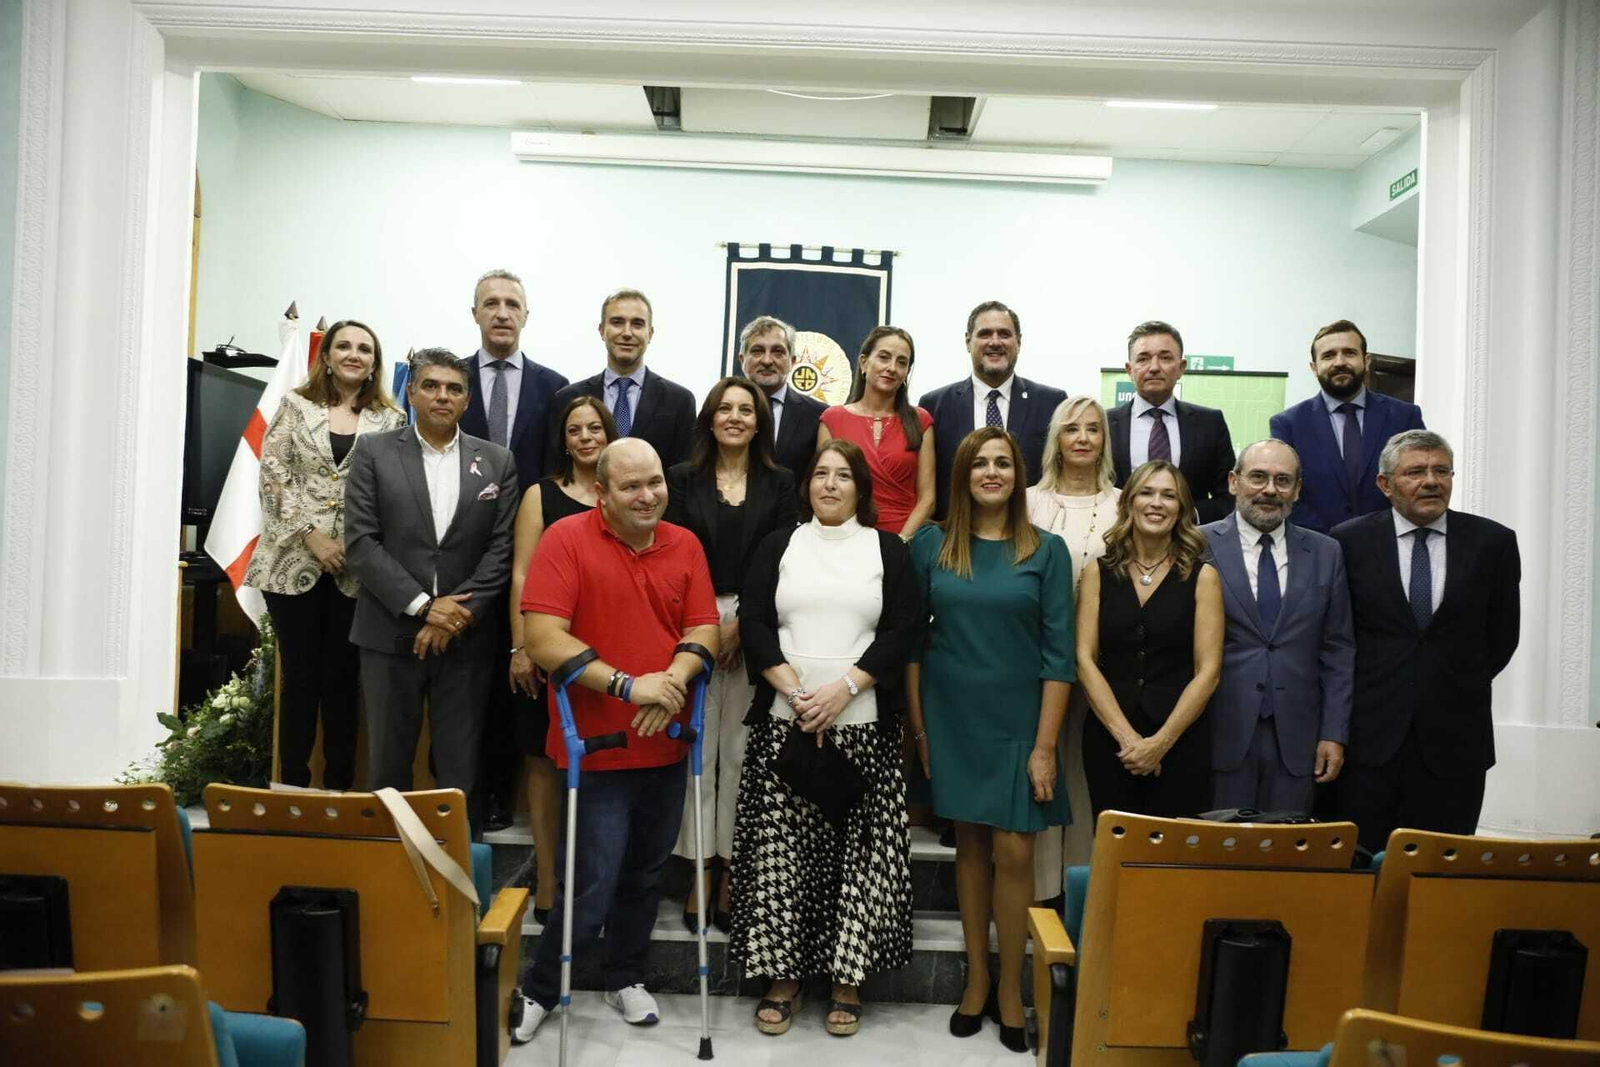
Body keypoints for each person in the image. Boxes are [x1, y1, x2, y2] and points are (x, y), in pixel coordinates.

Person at [516, 438, 720, 1037]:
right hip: (596, 747)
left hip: (667, 737)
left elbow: (704, 626)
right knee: (590, 882)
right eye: (631, 486)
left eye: (655, 482)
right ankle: (542, 989)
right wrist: (632, 688)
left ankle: (624, 977)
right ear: (601, 493)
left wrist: (672, 683)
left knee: (646, 874)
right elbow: (544, 639)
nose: (648, 495)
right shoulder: (566, 540)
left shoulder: (684, 544)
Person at [730, 439, 918, 1038]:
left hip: (861, 728)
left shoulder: (887, 548)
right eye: (820, 475)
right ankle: (783, 979)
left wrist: (843, 689)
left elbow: (902, 629)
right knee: (783, 858)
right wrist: (793, 690)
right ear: (806, 485)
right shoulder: (779, 544)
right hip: (787, 725)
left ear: (861, 487)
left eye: (843, 476)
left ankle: (846, 980)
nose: (831, 484)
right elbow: (754, 621)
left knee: (856, 860)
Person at [908, 427, 1074, 1054]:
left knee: (1014, 851)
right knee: (970, 847)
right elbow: (915, 650)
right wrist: (920, 731)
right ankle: (976, 982)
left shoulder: (1047, 551)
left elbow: (1061, 656)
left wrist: (1044, 746)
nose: (993, 472)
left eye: (1004, 462)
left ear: (1019, 475)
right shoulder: (932, 546)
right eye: (980, 463)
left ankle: (1012, 987)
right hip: (950, 717)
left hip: (1020, 721)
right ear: (963, 475)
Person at [343, 348, 517, 832]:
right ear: (412, 392)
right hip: (388, 636)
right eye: (432, 386)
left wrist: (453, 616)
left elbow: (501, 551)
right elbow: (360, 544)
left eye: (455, 388)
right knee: (387, 769)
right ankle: (386, 882)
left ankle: (458, 887)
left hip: (466, 640)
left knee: (460, 774)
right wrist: (425, 609)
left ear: (466, 400)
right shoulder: (374, 452)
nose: (443, 396)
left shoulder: (497, 462)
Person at [1331, 430, 1520, 852]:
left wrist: (1449, 678)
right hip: (1369, 739)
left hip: (1456, 740)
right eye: (1415, 471)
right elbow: (1337, 636)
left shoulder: (1494, 543)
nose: (1431, 481)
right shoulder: (1347, 542)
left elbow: (1502, 636)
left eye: (1441, 471)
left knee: (1443, 869)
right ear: (1385, 484)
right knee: (1359, 869)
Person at [246, 319, 407, 789]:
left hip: (356, 570)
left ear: (375, 361)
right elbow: (273, 475)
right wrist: (312, 535)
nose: (354, 354)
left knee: (343, 681)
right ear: (328, 356)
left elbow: (391, 494)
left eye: (364, 348)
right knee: (299, 679)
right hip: (291, 560)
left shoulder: (391, 420)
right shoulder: (296, 406)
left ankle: (339, 787)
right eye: (344, 346)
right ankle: (290, 787)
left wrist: (356, 545)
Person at [663, 377, 798, 932]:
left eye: (747, 409)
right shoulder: (681, 479)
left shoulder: (782, 482)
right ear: (710, 419)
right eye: (726, 409)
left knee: (742, 755)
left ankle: (733, 873)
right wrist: (705, 628)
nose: (736, 417)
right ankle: (697, 871)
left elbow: (782, 556)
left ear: (760, 421)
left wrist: (744, 623)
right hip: (689, 624)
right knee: (698, 753)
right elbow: (669, 555)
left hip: (757, 624)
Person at [458, 268, 572, 831]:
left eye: (512, 304)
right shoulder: (445, 380)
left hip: (535, 554)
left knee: (518, 676)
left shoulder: (558, 388)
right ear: (474, 313)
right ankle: (468, 796)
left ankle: (505, 796)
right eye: (491, 303)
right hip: (461, 559)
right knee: (467, 681)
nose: (502, 313)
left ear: (527, 316)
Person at [506, 395, 617, 924]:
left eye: (596, 427)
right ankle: (548, 885)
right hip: (547, 646)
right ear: (564, 438)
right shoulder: (539, 496)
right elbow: (522, 574)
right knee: (543, 764)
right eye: (576, 429)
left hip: (608, 654)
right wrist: (521, 646)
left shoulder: (624, 496)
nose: (586, 437)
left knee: (604, 771)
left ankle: (597, 888)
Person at [1201, 439, 1354, 813]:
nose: (1270, 490)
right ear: (1233, 481)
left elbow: (1338, 649)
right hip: (1217, 729)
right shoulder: (1197, 544)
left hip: (1298, 738)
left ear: (1297, 490)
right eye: (1258, 477)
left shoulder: (1326, 552)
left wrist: (1334, 733)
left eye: (1283, 480)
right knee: (1216, 857)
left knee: (1286, 860)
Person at [1074, 461, 1223, 819]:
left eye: (1169, 496)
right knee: (1115, 854)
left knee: (1172, 860)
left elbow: (1209, 671)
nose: (1157, 503)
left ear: (1182, 509)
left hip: (1181, 742)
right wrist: (1128, 740)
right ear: (1128, 503)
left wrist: (1159, 744)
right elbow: (1084, 658)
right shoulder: (1098, 572)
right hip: (1110, 741)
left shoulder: (1204, 578)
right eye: (1147, 492)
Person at [1024, 395, 1119, 890]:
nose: (1082, 438)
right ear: (1056, 440)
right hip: (1033, 662)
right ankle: (1038, 895)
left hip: (1103, 665)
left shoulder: (1124, 504)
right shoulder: (1027, 502)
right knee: (1037, 767)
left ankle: (1081, 892)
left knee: (1085, 776)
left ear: (1104, 440)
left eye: (1093, 429)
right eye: (1072, 429)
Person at [1269, 319, 1426, 534]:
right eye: (1328, 355)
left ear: (1366, 360)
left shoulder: (1405, 416)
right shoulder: (1288, 424)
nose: (1340, 362)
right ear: (1314, 367)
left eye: (1349, 353)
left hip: (1390, 546)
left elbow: (1418, 480)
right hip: (1318, 550)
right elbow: (1284, 492)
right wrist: (1329, 543)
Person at [918, 300, 1067, 519]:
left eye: (1004, 334)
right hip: (955, 538)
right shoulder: (934, 405)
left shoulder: (1052, 403)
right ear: (968, 341)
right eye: (985, 334)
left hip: (1030, 535)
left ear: (1019, 342)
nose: (995, 342)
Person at [547, 288, 696, 472]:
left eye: (637, 324)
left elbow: (683, 476)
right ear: (602, 331)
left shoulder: (679, 401)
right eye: (617, 322)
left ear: (650, 333)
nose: (627, 332)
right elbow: (555, 468)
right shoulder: (566, 399)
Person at [1107, 321, 1235, 523]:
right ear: (1129, 369)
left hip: (1192, 545)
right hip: (1118, 543)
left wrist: (1185, 516)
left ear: (1181, 367)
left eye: (1165, 358)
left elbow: (1230, 498)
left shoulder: (1210, 424)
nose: (1154, 367)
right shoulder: (1104, 425)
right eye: (1143, 359)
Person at [817, 325, 935, 540]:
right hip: (846, 540)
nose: (892, 368)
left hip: (907, 540)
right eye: (884, 357)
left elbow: (928, 497)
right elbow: (824, 488)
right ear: (864, 362)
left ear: (907, 372)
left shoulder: (921, 421)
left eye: (902, 362)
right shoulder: (832, 419)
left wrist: (901, 542)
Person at [738, 314, 826, 478]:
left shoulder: (819, 416)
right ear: (742, 359)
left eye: (778, 352)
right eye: (757, 351)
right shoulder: (721, 412)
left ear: (792, 361)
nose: (767, 360)